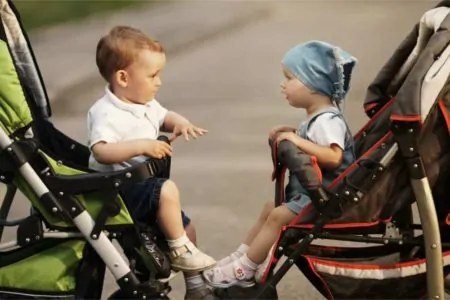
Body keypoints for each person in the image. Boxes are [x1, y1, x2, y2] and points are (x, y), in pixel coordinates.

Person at [202, 40, 357, 288]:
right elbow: (314, 143)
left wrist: (297, 140)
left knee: (278, 216)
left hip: (327, 195)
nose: (282, 84)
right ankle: (242, 255)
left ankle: (245, 269)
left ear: (313, 84)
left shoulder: (328, 120)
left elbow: (333, 157)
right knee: (269, 208)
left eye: (290, 78)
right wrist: (293, 132)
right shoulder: (317, 118)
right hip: (312, 193)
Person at [86, 25, 216, 299]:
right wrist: (141, 146)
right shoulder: (106, 113)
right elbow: (101, 151)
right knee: (168, 189)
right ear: (123, 77)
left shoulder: (143, 102)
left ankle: (194, 286)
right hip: (120, 191)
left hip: (144, 186)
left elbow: (164, 116)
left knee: (187, 228)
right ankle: (180, 251)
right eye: (153, 75)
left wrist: (180, 122)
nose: (159, 82)